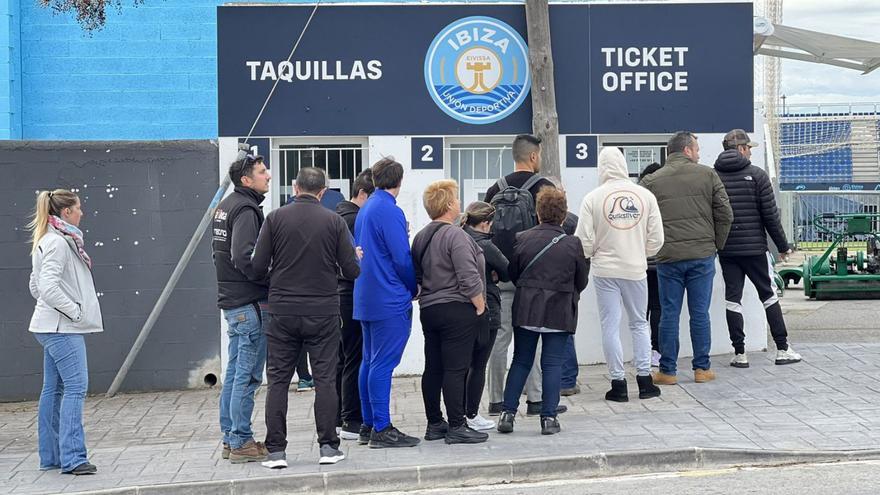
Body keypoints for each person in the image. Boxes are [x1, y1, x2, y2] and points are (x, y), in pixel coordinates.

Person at [252, 167, 360, 467]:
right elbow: (352, 270)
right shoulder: (334, 221)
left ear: (295, 187)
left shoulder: (274, 218)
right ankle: (328, 447)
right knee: (325, 379)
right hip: (323, 311)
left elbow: (257, 266)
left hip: (283, 311)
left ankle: (276, 451)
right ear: (323, 191)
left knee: (277, 381)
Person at [640, 132, 733, 385]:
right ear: (687, 150)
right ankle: (701, 369)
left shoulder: (651, 181)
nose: (700, 154)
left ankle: (668, 371)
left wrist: (653, 247)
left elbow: (641, 219)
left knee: (669, 313)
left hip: (668, 257)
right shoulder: (707, 174)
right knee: (700, 313)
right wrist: (715, 244)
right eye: (697, 149)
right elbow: (725, 213)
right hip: (702, 255)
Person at [575, 147, 664, 402]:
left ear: (601, 167)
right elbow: (657, 240)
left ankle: (618, 383)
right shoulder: (645, 196)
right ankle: (645, 381)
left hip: (605, 270)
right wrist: (639, 252)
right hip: (636, 269)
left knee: (610, 325)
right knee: (639, 323)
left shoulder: (593, 198)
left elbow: (583, 241)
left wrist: (596, 252)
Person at [497, 188, 589, 436]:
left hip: (527, 308)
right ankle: (548, 418)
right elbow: (582, 280)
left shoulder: (522, 238)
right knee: (552, 364)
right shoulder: (572, 244)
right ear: (563, 215)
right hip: (558, 310)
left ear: (538, 213)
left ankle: (507, 414)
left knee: (521, 360)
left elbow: (514, 274)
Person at [27, 189, 103, 476]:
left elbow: (36, 286)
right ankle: (73, 458)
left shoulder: (46, 239)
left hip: (48, 325)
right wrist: (75, 311)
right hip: (62, 328)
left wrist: (59, 309)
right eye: (78, 208)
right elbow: (46, 287)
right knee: (75, 388)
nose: (82, 213)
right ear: (66, 213)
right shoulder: (59, 243)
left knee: (53, 390)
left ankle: (52, 456)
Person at [484, 134, 560, 417]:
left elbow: (484, 231)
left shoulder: (495, 188)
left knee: (499, 340)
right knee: (533, 338)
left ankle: (495, 400)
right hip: (532, 278)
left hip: (499, 276)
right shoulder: (544, 187)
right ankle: (536, 400)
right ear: (532, 157)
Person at [714, 129, 802, 367]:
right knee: (768, 295)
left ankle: (740, 354)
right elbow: (770, 217)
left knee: (733, 299)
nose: (751, 152)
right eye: (749, 148)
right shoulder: (757, 175)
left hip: (727, 250)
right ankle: (782, 348)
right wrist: (783, 246)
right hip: (754, 249)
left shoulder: (712, 177)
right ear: (741, 148)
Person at [412, 180, 489, 444]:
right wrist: (479, 304)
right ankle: (457, 425)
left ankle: (435, 423)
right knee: (456, 368)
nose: (459, 203)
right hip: (456, 308)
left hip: (430, 309)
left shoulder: (421, 236)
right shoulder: (456, 235)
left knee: (433, 367)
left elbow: (417, 275)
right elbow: (468, 275)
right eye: (456, 199)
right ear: (447, 205)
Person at [353, 158, 421, 448]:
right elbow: (401, 257)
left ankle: (368, 424)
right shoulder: (390, 211)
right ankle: (382, 427)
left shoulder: (365, 208)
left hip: (366, 295)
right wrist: (413, 285)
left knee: (369, 360)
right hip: (388, 296)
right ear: (400, 181)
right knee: (383, 363)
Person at [211, 153, 271, 464]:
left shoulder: (225, 206)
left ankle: (230, 437)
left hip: (232, 301)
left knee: (235, 374)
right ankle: (241, 441)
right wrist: (268, 276)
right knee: (247, 377)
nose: (269, 176)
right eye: (262, 172)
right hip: (248, 302)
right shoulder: (246, 209)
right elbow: (244, 256)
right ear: (246, 180)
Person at [335, 169, 375, 440]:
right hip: (351, 293)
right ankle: (352, 419)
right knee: (355, 357)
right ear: (362, 194)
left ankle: (339, 416)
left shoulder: (337, 215)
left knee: (342, 358)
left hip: (336, 295)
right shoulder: (356, 219)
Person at [462, 201, 508, 430]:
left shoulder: (459, 237)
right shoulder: (486, 246)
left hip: (461, 307)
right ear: (485, 224)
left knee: (461, 364)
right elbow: (508, 270)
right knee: (479, 364)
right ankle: (471, 413)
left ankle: (459, 412)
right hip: (487, 305)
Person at [639, 162, 665, 367]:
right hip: (659, 262)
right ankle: (656, 351)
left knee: (640, 312)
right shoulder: (664, 198)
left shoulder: (636, 199)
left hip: (638, 263)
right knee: (657, 308)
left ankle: (643, 351)